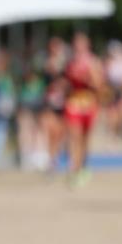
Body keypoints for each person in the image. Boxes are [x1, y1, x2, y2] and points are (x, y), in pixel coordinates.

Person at [64, 32, 105, 187]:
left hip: (88, 103)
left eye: (81, 44)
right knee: (75, 135)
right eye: (76, 44)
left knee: (85, 139)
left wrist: (88, 78)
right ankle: (74, 167)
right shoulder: (70, 62)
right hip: (73, 103)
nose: (78, 47)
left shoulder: (93, 62)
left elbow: (99, 85)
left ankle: (83, 165)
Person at [41, 36, 69, 173]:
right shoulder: (46, 63)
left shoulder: (67, 64)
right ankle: (51, 159)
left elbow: (68, 82)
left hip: (63, 102)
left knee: (60, 132)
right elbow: (45, 81)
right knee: (51, 131)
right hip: (50, 101)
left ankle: (57, 154)